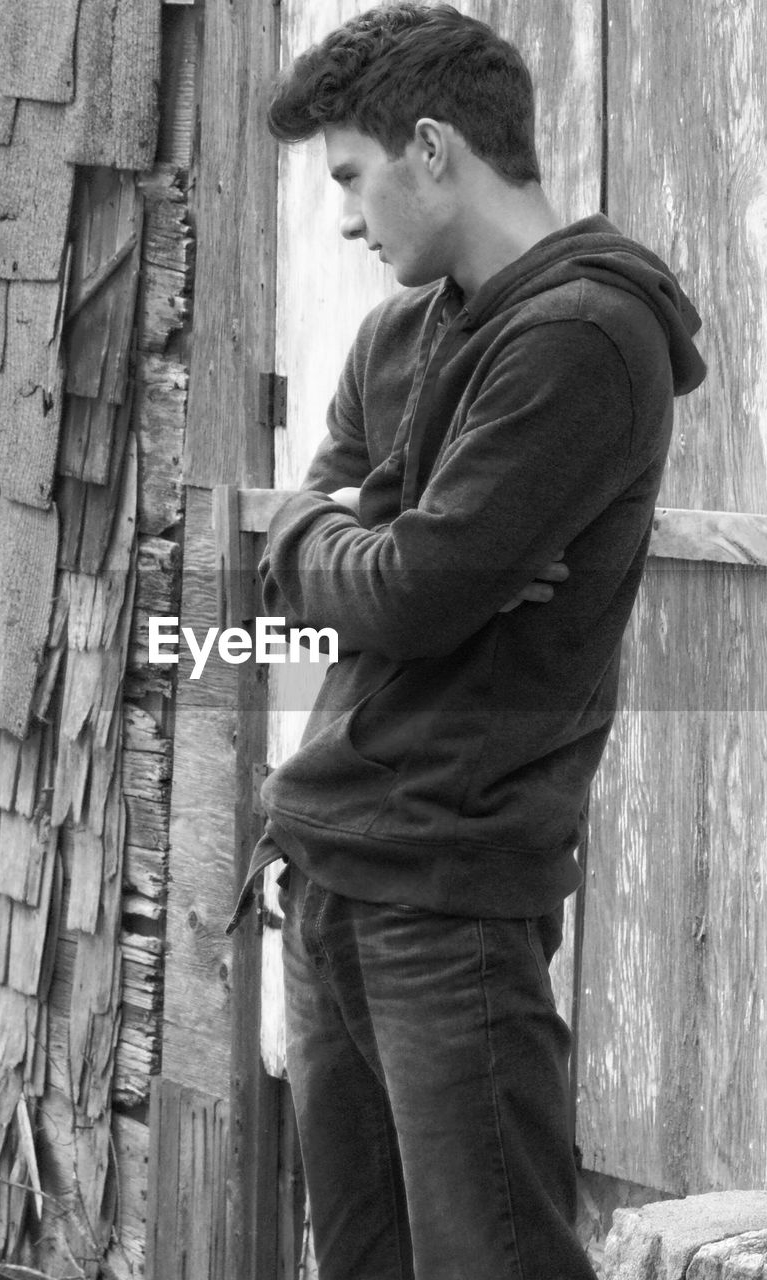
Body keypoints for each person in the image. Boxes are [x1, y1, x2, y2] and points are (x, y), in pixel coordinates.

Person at [227, 5, 707, 1278]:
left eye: (350, 176)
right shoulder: (397, 337)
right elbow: (307, 571)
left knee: (489, 1259)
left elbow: (410, 590)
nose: (341, 217)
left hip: (450, 892)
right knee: (364, 1260)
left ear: (431, 146)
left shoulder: (586, 337)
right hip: (326, 865)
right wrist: (346, 542)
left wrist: (374, 550)